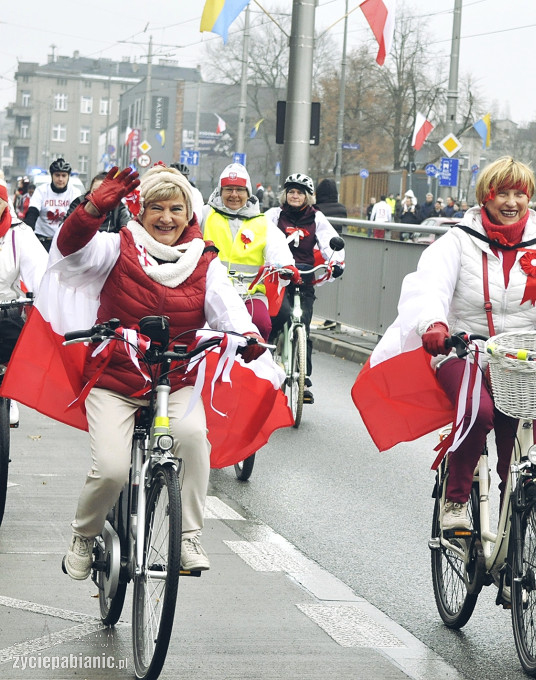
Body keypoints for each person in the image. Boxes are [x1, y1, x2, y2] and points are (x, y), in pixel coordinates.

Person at [360, 157, 536, 539]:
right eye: (502, 193)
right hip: (462, 350)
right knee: (479, 412)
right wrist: (433, 324)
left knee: (519, 450)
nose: (512, 202)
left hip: (519, 360)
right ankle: (455, 499)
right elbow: (430, 284)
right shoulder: (459, 239)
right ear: (485, 198)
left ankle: (515, 538)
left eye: (520, 194)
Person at [55, 166, 267, 579]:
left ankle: (188, 537)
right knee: (112, 469)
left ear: (189, 214)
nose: (166, 218)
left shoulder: (204, 260)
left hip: (175, 380)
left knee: (191, 439)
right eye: (156, 207)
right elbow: (70, 249)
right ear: (140, 210)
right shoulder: (116, 247)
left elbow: (227, 306)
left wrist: (246, 335)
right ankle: (84, 536)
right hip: (115, 379)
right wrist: (93, 208)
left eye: (176, 208)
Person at [265, 173, 345, 404]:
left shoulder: (316, 217)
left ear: (307, 196)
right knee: (275, 320)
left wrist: (336, 262)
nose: (295, 195)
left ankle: (303, 379)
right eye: (291, 191)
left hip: (305, 276)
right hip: (279, 276)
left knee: (304, 325)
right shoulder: (274, 215)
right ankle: (266, 368)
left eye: (300, 192)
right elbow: (261, 236)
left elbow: (330, 240)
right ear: (285, 194)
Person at [201, 163, 295, 340]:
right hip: (209, 291)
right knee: (206, 332)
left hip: (249, 294)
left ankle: (257, 366)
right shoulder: (206, 214)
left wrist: (287, 267)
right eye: (228, 189)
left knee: (261, 324)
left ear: (248, 193)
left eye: (240, 190)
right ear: (220, 191)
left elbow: (278, 248)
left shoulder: (262, 222)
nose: (234, 195)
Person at [0, 185, 48, 425]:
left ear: (5, 204)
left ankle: (10, 389)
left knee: (14, 335)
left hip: (6, 306)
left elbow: (39, 269)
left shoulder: (20, 233)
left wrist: (43, 298)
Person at [24, 158, 81, 250]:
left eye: (64, 175)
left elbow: (76, 216)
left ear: (68, 177)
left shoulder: (75, 192)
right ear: (52, 176)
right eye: (57, 175)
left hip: (64, 239)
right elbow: (32, 213)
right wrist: (27, 231)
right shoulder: (41, 190)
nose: (60, 179)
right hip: (42, 239)